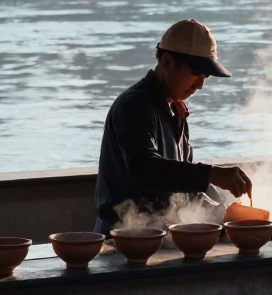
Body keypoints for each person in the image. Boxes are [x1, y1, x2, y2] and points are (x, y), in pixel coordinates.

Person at [94, 19, 253, 235]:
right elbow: (145, 169)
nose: (201, 84)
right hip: (122, 239)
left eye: (205, 76)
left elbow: (184, 185)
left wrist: (222, 211)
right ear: (167, 61)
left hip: (163, 237)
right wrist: (210, 174)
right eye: (196, 73)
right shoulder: (133, 106)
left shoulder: (177, 111)